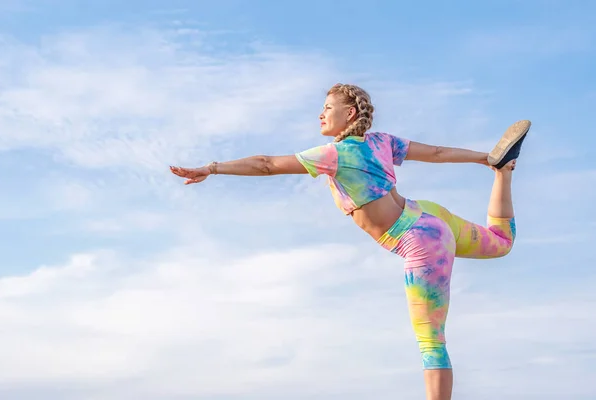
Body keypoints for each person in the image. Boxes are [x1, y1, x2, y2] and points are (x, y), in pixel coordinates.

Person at [169, 83, 530, 400]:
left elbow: (266, 164)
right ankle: (503, 171)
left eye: (327, 108)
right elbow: (436, 153)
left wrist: (212, 168)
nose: (320, 114)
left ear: (349, 112)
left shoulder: (333, 155)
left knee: (431, 341)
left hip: (418, 240)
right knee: (501, 242)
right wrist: (486, 158)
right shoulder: (383, 142)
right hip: (431, 217)